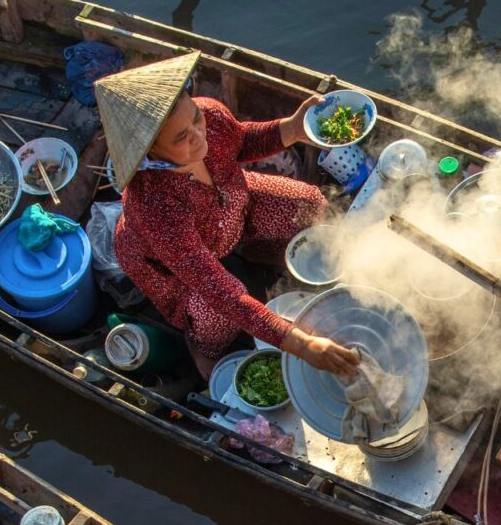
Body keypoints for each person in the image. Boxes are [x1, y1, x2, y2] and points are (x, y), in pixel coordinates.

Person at [94, 52, 359, 379]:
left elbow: (241, 140)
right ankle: (202, 348)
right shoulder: (154, 205)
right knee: (215, 315)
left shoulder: (211, 115)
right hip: (175, 265)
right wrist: (300, 344)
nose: (199, 136)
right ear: (149, 152)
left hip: (230, 204)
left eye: (195, 119)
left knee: (310, 203)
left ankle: (257, 253)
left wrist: (292, 128)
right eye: (181, 137)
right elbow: (221, 293)